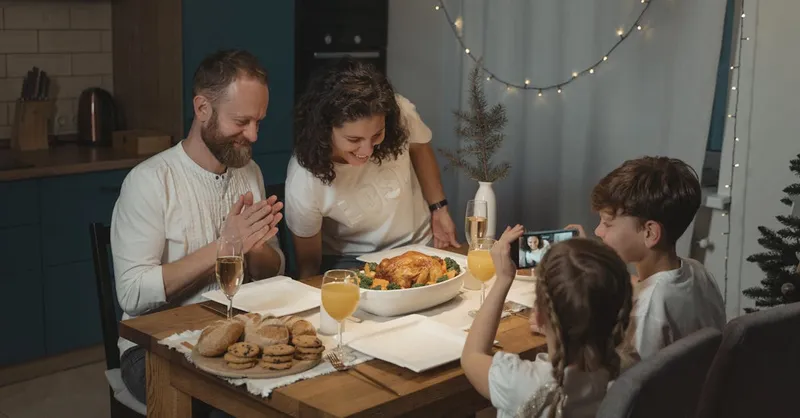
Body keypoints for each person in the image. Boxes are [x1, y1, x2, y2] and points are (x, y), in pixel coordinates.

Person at [110, 49, 285, 405]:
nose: (252, 135)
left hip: (235, 331)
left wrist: (256, 249)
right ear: (202, 108)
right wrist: (224, 248)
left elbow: (273, 271)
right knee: (233, 400)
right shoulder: (149, 182)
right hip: (152, 347)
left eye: (259, 122)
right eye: (241, 122)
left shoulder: (249, 173)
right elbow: (131, 294)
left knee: (290, 382)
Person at [285, 57, 459, 278]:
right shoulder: (303, 178)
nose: (367, 150)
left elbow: (420, 148)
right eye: (354, 139)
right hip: (351, 261)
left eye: (377, 135)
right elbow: (308, 266)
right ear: (324, 130)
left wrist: (439, 208)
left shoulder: (400, 112)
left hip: (418, 244)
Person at [461, 225, 633, 418]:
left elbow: (471, 356)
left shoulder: (522, 383)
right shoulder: (629, 370)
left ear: (540, 316)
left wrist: (503, 279)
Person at [564, 156, 726, 360]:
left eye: (607, 223)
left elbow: (629, 385)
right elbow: (645, 286)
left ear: (650, 233)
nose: (598, 231)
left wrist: (563, 334)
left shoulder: (646, 312)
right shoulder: (697, 271)